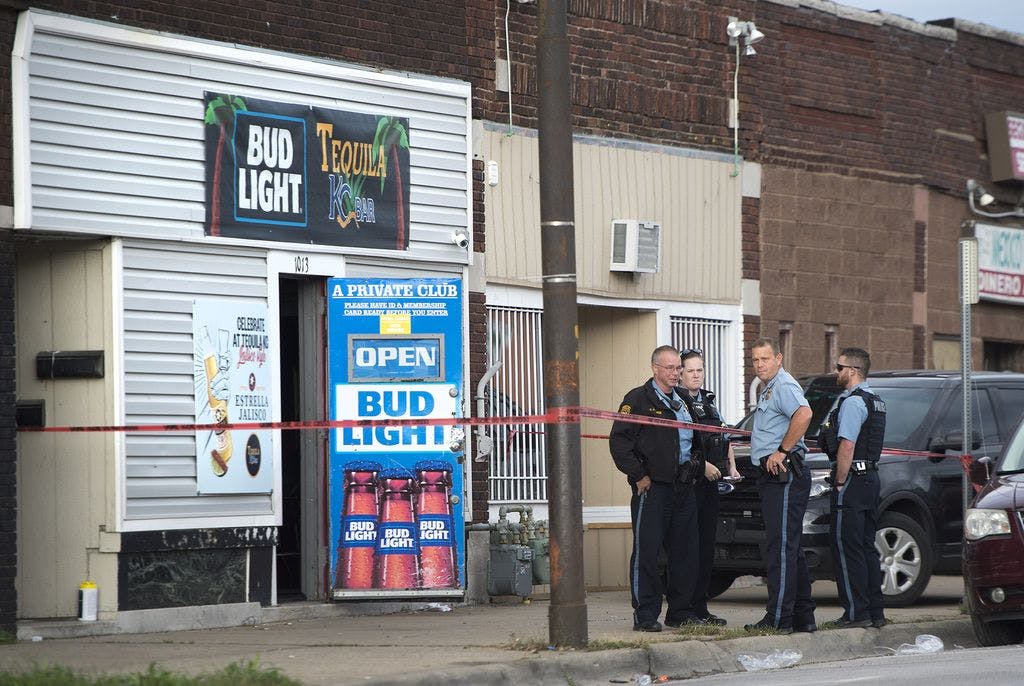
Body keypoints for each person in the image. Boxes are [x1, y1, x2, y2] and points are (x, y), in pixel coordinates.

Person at [609, 345, 704, 632]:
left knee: (685, 553)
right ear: (655, 368)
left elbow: (694, 440)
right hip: (653, 489)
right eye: (670, 368)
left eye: (678, 368)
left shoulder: (683, 400)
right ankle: (645, 615)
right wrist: (639, 475)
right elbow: (619, 443)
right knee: (648, 553)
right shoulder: (638, 399)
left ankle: (680, 611)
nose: (676, 373)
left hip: (683, 487)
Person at [743, 337, 817, 634]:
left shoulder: (784, 385)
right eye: (755, 360)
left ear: (778, 358)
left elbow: (804, 414)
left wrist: (782, 450)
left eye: (764, 359)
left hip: (784, 474)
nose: (759, 364)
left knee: (781, 548)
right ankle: (802, 616)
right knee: (790, 548)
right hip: (773, 476)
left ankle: (778, 618)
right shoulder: (769, 388)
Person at [818, 347, 887, 628]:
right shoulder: (876, 401)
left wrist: (839, 481)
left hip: (853, 481)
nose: (836, 372)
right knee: (867, 547)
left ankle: (856, 613)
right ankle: (874, 612)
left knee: (847, 548)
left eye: (839, 367)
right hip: (871, 479)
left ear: (853, 371)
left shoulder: (853, 402)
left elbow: (847, 445)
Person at [678, 348, 740, 626]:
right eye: (690, 370)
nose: (696, 375)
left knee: (706, 547)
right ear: (680, 374)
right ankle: (686, 609)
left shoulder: (709, 401)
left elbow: (723, 436)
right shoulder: (677, 402)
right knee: (688, 548)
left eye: (699, 370)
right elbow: (680, 444)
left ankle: (701, 608)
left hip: (712, 484)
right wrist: (703, 466)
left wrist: (732, 467)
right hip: (690, 483)